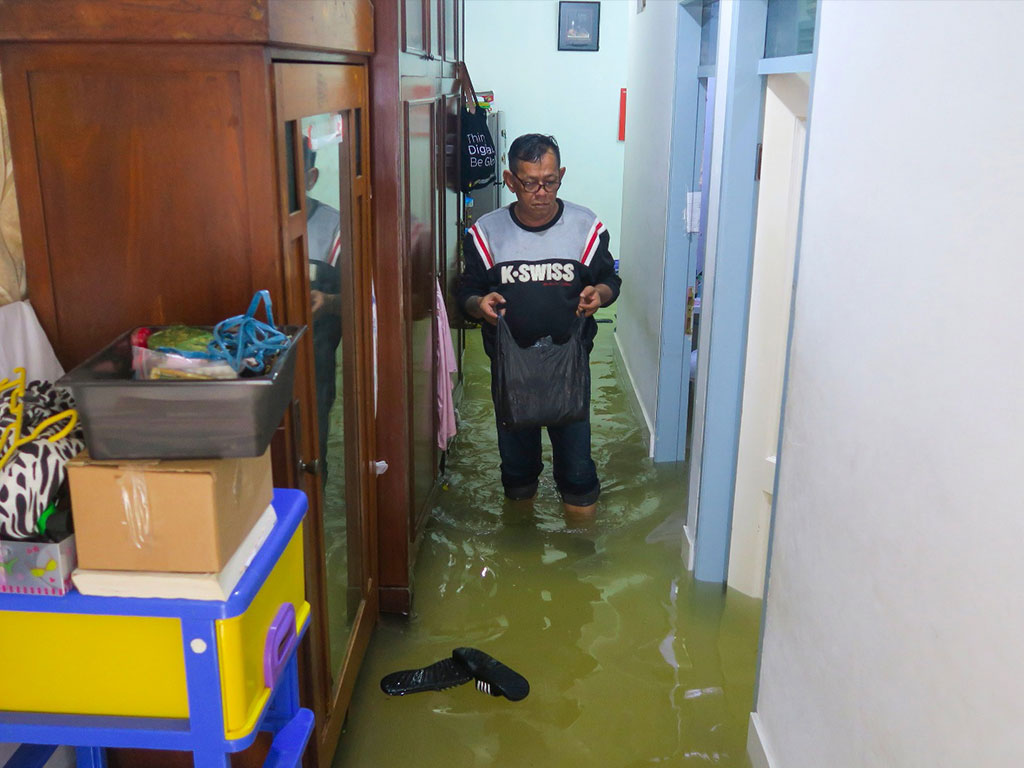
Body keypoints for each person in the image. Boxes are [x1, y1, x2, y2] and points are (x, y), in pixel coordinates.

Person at [457, 133, 621, 517]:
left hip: (570, 367)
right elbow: (467, 291)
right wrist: (479, 304)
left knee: (579, 475)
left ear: (561, 175)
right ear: (511, 181)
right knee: (517, 475)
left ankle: (580, 558)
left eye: (550, 181)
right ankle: (519, 547)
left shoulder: (586, 227)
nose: (541, 192)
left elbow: (610, 281)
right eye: (530, 183)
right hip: (512, 373)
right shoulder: (485, 233)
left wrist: (598, 293)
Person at [304, 142, 343, 479]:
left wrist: (328, 302)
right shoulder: (250, 225)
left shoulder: (336, 228)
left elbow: (363, 302)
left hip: (317, 358)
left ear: (311, 177)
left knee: (312, 446)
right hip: (258, 359)